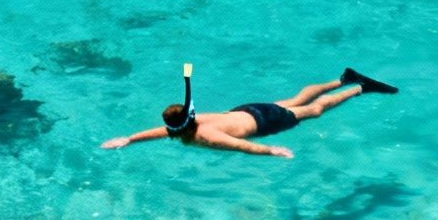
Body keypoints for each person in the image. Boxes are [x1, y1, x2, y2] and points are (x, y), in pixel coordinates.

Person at [99, 67, 397, 159]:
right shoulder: (195, 120)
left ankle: (360, 88)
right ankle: (343, 79)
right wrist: (129, 139)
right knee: (296, 99)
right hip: (249, 109)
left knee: (315, 110)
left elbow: (241, 146)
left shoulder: (206, 135)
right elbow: (159, 132)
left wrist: (271, 151)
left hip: (265, 121)